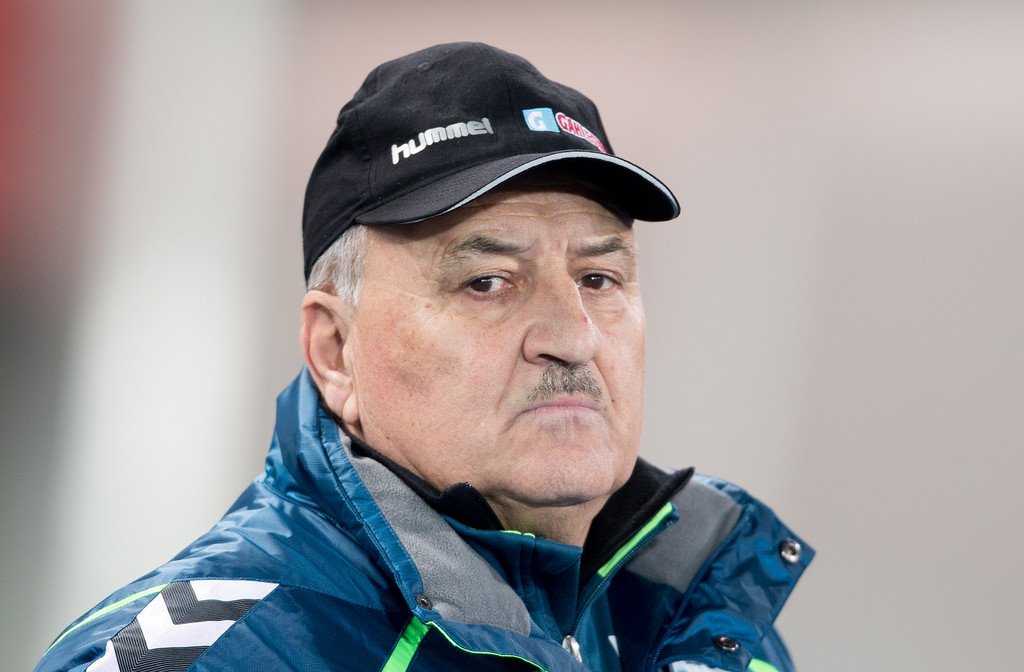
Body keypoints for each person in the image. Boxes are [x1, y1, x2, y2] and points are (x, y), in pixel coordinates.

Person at [35, 42, 812, 672]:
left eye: (598, 279)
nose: (573, 336)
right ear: (335, 351)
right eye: (487, 283)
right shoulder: (214, 654)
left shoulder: (699, 622)